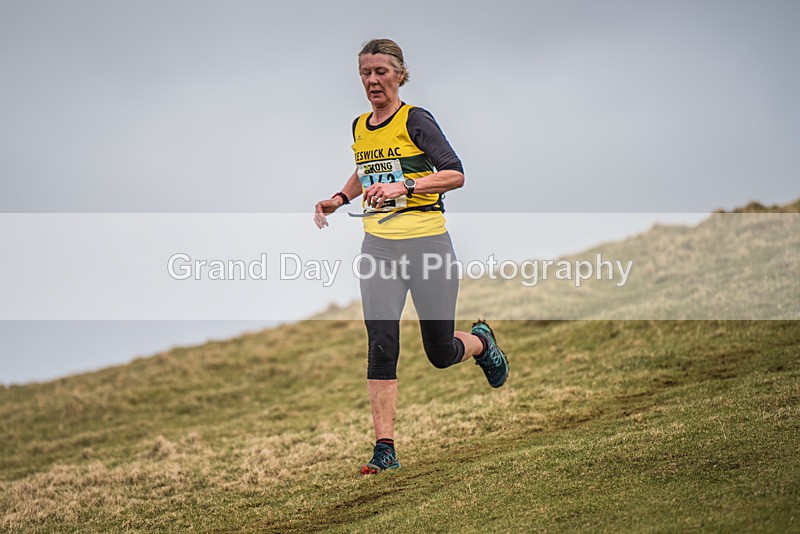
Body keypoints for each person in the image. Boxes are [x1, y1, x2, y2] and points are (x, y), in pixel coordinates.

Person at [313, 38, 509, 476]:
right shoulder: (360, 126)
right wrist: (339, 198)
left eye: (381, 71)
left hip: (427, 246)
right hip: (378, 249)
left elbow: (455, 173)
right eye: (365, 72)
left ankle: (481, 342)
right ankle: (385, 450)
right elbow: (368, 169)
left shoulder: (415, 119)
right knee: (381, 344)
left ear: (400, 74)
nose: (372, 80)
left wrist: (405, 187)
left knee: (439, 352)